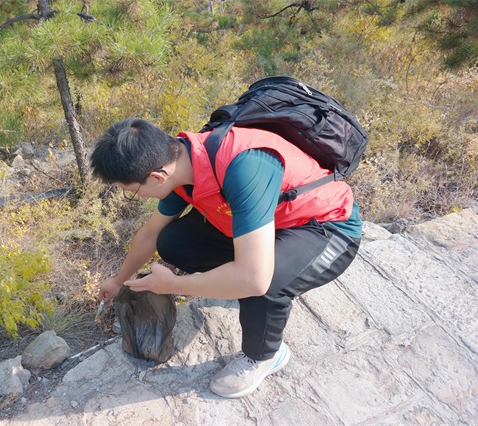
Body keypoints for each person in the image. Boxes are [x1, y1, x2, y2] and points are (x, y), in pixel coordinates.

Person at [90, 117, 362, 399]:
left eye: (133, 192)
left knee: (262, 283)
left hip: (326, 227)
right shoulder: (182, 164)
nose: (139, 196)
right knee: (172, 241)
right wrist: (119, 280)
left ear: (157, 177)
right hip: (272, 223)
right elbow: (150, 234)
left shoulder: (243, 166)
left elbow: (254, 279)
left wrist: (173, 285)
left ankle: (265, 355)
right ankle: (240, 274)